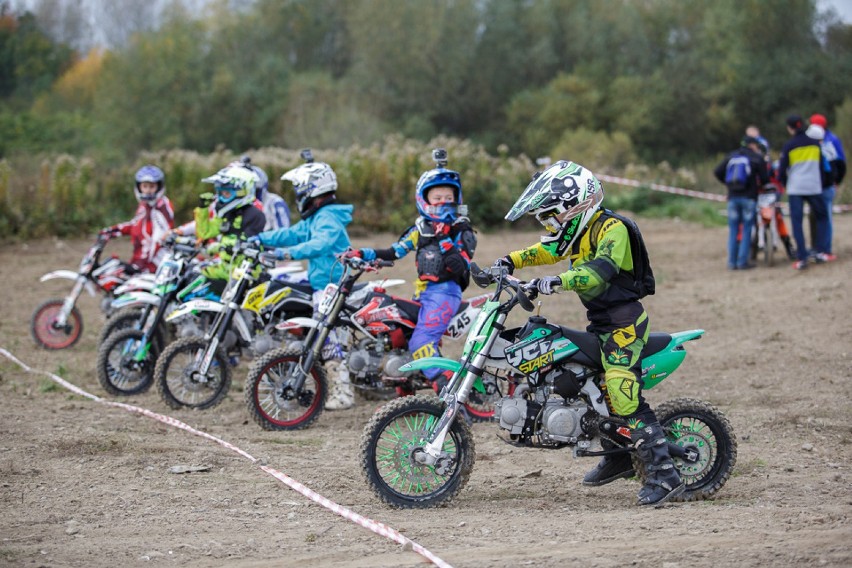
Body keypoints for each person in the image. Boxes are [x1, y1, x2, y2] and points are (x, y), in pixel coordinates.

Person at [493, 160, 683, 507]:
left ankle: (665, 473)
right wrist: (508, 261)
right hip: (601, 322)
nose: (549, 224)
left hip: (625, 325)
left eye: (551, 216)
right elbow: (546, 250)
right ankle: (619, 456)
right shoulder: (576, 232)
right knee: (589, 387)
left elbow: (600, 270)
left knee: (622, 392)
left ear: (575, 206)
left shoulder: (613, 229)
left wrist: (556, 281)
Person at [346, 148, 476, 397]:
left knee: (421, 342)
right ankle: (405, 396)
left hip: (446, 293)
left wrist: (443, 237)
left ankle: (451, 394)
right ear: (425, 199)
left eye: (448, 196)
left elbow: (460, 267)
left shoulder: (462, 230)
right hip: (424, 293)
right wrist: (362, 253)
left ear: (457, 198)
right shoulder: (420, 229)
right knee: (399, 333)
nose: (443, 202)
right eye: (437, 197)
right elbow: (394, 252)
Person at [248, 158, 355, 410]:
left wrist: (287, 254)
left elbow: (321, 244)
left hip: (334, 284)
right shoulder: (316, 217)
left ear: (312, 188)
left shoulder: (328, 216)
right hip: (321, 283)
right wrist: (259, 239)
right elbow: (291, 234)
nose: (297, 193)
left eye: (299, 187)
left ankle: (343, 391)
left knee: (324, 335)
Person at [194, 164, 268, 295]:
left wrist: (217, 247)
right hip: (224, 267)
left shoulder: (255, 215)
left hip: (245, 271)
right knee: (194, 276)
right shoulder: (226, 213)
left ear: (242, 191)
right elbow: (205, 232)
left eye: (226, 193)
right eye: (220, 193)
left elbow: (245, 243)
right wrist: (203, 210)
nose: (221, 198)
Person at [778, 115, 830, 270]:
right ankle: (819, 251)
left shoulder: (789, 145)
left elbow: (781, 171)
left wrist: (785, 185)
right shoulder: (815, 144)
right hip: (814, 187)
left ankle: (802, 256)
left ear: (790, 128)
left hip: (796, 188)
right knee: (822, 218)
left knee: (797, 222)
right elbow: (822, 166)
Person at [100, 165, 175, 273]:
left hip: (155, 264)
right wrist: (112, 231)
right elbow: (135, 224)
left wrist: (141, 265)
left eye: (152, 186)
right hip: (140, 259)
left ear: (159, 187)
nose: (148, 191)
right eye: (145, 186)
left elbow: (158, 240)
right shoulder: (144, 205)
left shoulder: (161, 207)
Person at [714, 136, 769, 270]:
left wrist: (728, 184)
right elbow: (765, 179)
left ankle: (732, 262)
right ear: (752, 145)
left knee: (733, 230)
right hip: (749, 198)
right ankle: (742, 261)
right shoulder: (756, 158)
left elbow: (717, 172)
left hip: (732, 197)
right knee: (746, 229)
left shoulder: (731, 156)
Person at [808, 114, 846, 261]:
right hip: (815, 187)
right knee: (816, 217)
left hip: (824, 186)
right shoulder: (827, 141)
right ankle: (817, 247)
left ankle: (825, 249)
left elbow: (840, 162)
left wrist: (836, 181)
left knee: (825, 217)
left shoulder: (831, 141)